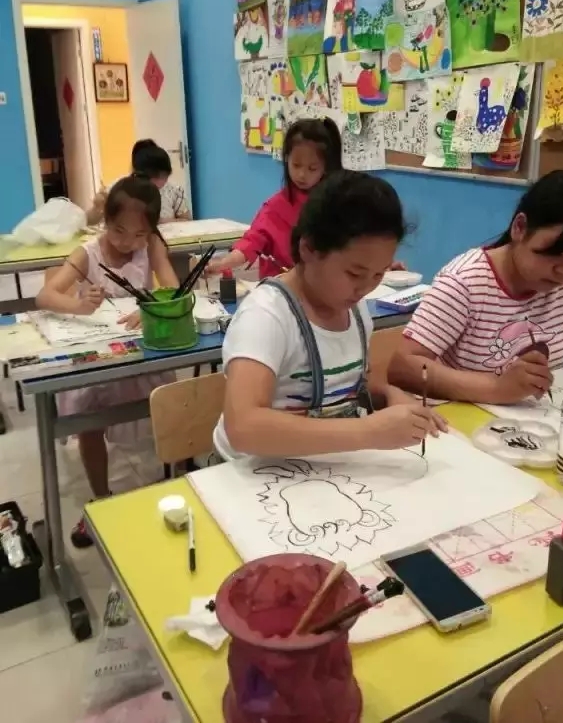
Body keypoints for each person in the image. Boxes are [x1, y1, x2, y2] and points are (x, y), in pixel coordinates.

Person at [214, 170, 446, 461]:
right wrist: (369, 431)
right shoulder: (267, 316)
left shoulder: (354, 310)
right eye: (355, 273)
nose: (365, 288)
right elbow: (243, 428)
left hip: (321, 464)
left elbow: (355, 386)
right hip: (254, 471)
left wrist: (389, 396)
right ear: (309, 249)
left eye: (379, 274)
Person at [389, 170, 563, 405]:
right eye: (553, 254)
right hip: (463, 419)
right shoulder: (464, 282)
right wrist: (496, 388)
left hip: (534, 417)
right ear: (520, 227)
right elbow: (404, 367)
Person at [37, 175, 180, 548]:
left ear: (150, 231)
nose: (127, 241)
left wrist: (152, 306)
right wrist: (78, 305)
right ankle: (101, 499)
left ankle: (177, 482)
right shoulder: (89, 253)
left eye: (138, 234)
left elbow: (172, 287)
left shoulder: (151, 246)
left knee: (173, 405)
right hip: (99, 358)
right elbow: (46, 297)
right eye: (118, 230)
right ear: (106, 220)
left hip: (140, 354)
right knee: (90, 423)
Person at [206, 117, 343, 280]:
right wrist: (223, 264)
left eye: (312, 168)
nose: (301, 174)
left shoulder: (334, 204)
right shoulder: (274, 208)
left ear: (325, 168)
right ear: (286, 159)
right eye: (296, 165)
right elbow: (251, 242)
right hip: (280, 289)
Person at [86, 139, 191, 225]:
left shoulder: (174, 191)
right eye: (154, 178)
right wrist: (97, 208)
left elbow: (187, 222)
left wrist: (161, 222)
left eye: (164, 177)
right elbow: (89, 221)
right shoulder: (119, 188)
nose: (160, 183)